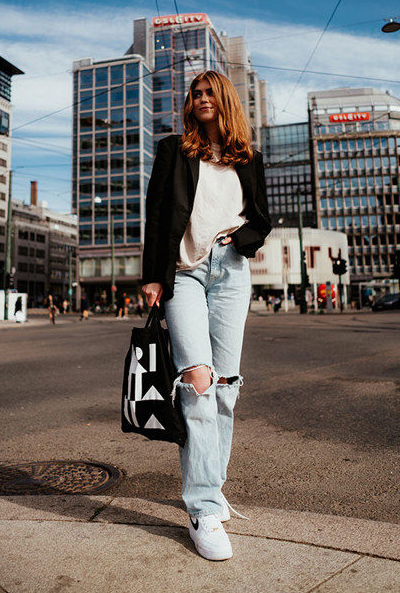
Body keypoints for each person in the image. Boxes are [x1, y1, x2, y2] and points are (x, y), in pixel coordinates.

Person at [142, 70, 271, 561]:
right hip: (184, 273)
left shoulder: (249, 158)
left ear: (225, 100)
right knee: (197, 380)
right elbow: (158, 212)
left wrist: (240, 239)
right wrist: (152, 275)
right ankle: (203, 508)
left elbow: (261, 219)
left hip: (232, 273)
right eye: (194, 94)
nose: (200, 99)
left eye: (208, 92)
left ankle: (211, 489)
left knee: (226, 386)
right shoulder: (175, 149)